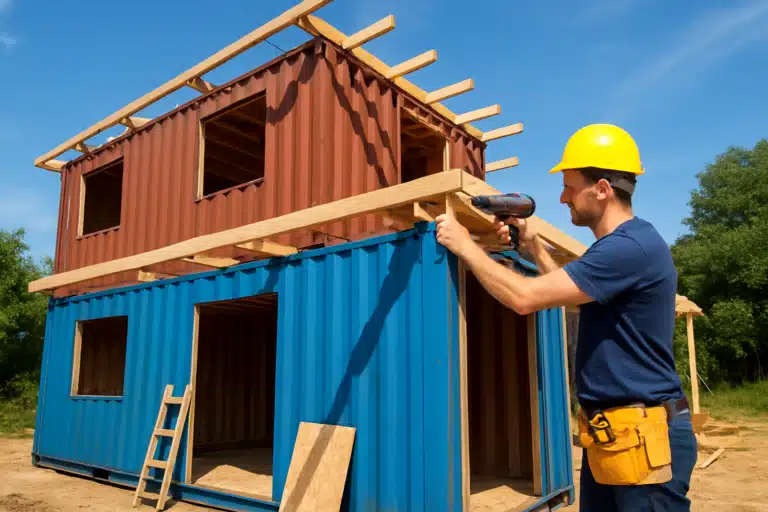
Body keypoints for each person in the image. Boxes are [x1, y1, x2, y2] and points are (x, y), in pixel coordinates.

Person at [435, 124, 697, 511]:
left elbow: (524, 299)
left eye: (570, 187)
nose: (562, 198)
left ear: (603, 188)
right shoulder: (619, 250)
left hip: (642, 440)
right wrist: (534, 247)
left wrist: (465, 247)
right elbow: (572, 298)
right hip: (615, 436)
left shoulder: (628, 249)